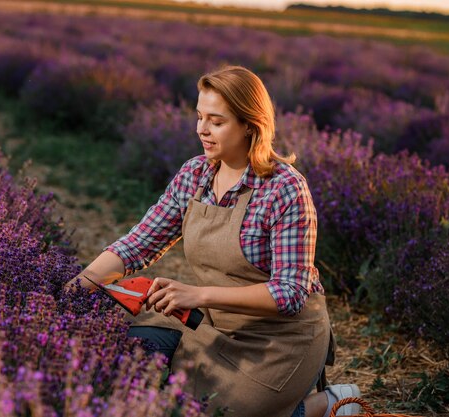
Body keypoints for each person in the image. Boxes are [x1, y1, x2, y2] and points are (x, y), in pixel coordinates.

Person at [64, 65, 360, 417]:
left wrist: (198, 294)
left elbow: (290, 293)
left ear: (250, 125)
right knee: (123, 359)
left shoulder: (285, 189)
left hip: (278, 339)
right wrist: (79, 286)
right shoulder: (195, 174)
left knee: (220, 412)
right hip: (210, 323)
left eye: (216, 121)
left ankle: (327, 404)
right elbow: (139, 243)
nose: (201, 130)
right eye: (199, 117)